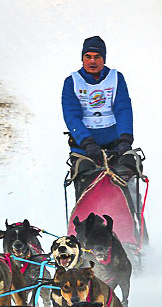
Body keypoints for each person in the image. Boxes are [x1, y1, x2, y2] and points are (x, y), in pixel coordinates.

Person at [62, 36, 135, 196]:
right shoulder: (72, 82)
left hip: (115, 146)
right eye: (88, 57)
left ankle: (134, 218)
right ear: (82, 59)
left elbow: (123, 108)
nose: (92, 61)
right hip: (84, 149)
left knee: (128, 188)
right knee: (87, 191)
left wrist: (125, 139)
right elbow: (71, 115)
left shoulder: (116, 79)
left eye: (97, 57)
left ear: (104, 59)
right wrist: (87, 142)